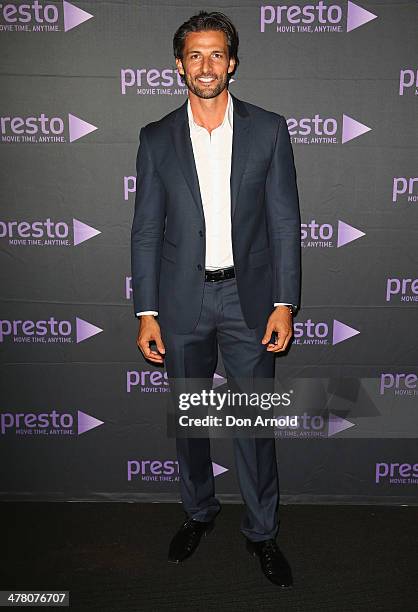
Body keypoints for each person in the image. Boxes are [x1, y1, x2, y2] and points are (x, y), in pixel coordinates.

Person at [131, 11, 301, 588]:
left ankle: (262, 531)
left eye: (216, 54)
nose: (206, 66)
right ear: (179, 65)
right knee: (189, 422)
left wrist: (285, 301)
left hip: (249, 300)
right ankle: (199, 513)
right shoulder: (155, 138)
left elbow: (284, 223)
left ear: (232, 61)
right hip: (180, 305)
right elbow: (146, 231)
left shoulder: (269, 130)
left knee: (254, 425)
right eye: (194, 55)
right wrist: (146, 312)